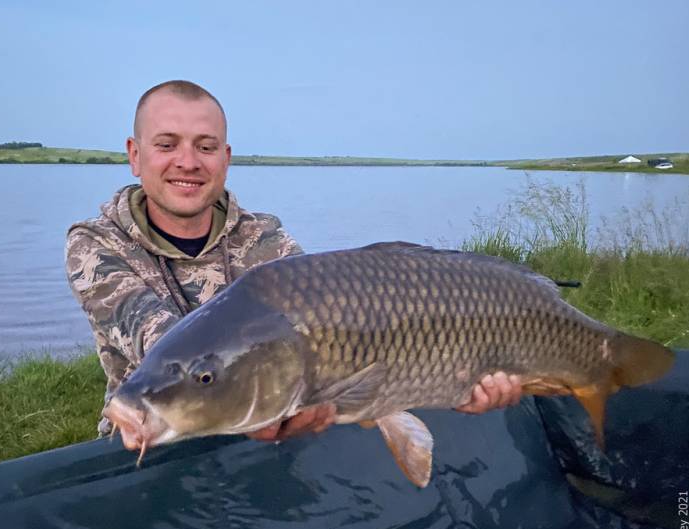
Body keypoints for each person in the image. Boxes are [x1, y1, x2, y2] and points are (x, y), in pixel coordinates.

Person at [65, 80, 521, 442]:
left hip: (267, 427)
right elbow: (159, 340)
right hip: (154, 436)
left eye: (205, 147)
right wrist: (210, 382)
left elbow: (320, 340)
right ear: (134, 155)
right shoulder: (95, 244)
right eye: (167, 144)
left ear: (225, 159)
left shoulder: (262, 236)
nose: (188, 162)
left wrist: (453, 380)